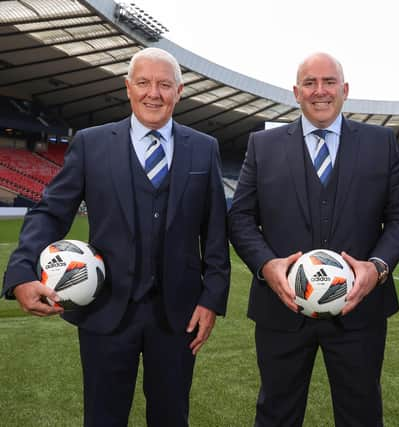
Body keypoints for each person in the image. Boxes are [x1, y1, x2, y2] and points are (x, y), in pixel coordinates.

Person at [2, 47, 230, 426]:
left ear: (179, 91)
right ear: (127, 87)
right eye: (143, 83)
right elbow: (51, 212)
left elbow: (216, 234)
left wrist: (212, 298)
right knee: (103, 419)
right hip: (103, 311)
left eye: (163, 84)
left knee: (173, 417)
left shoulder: (204, 149)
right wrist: (23, 272)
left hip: (179, 317)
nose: (152, 93)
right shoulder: (91, 144)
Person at [228, 52, 399, 427]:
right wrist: (267, 265)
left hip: (359, 310)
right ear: (296, 92)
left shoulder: (380, 143)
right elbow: (241, 217)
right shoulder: (263, 146)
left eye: (329, 82)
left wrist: (376, 269)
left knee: (361, 414)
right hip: (282, 308)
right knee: (276, 413)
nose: (320, 91)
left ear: (345, 90)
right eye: (310, 83)